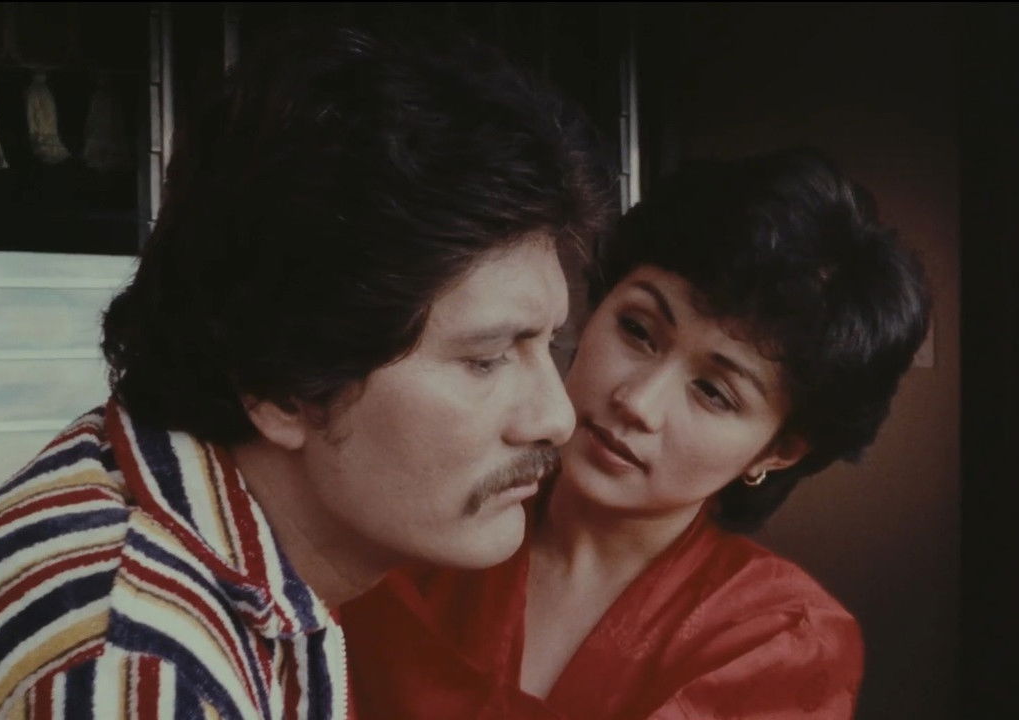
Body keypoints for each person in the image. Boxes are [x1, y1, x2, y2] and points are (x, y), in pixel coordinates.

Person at [0, 26, 608, 720]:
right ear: (286, 384)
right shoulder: (146, 672)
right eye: (486, 360)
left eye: (551, 344)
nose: (555, 417)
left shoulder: (159, 515)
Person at [342, 149, 931, 719]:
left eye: (714, 393)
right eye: (638, 331)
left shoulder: (780, 639)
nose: (637, 403)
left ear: (778, 451)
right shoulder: (426, 511)